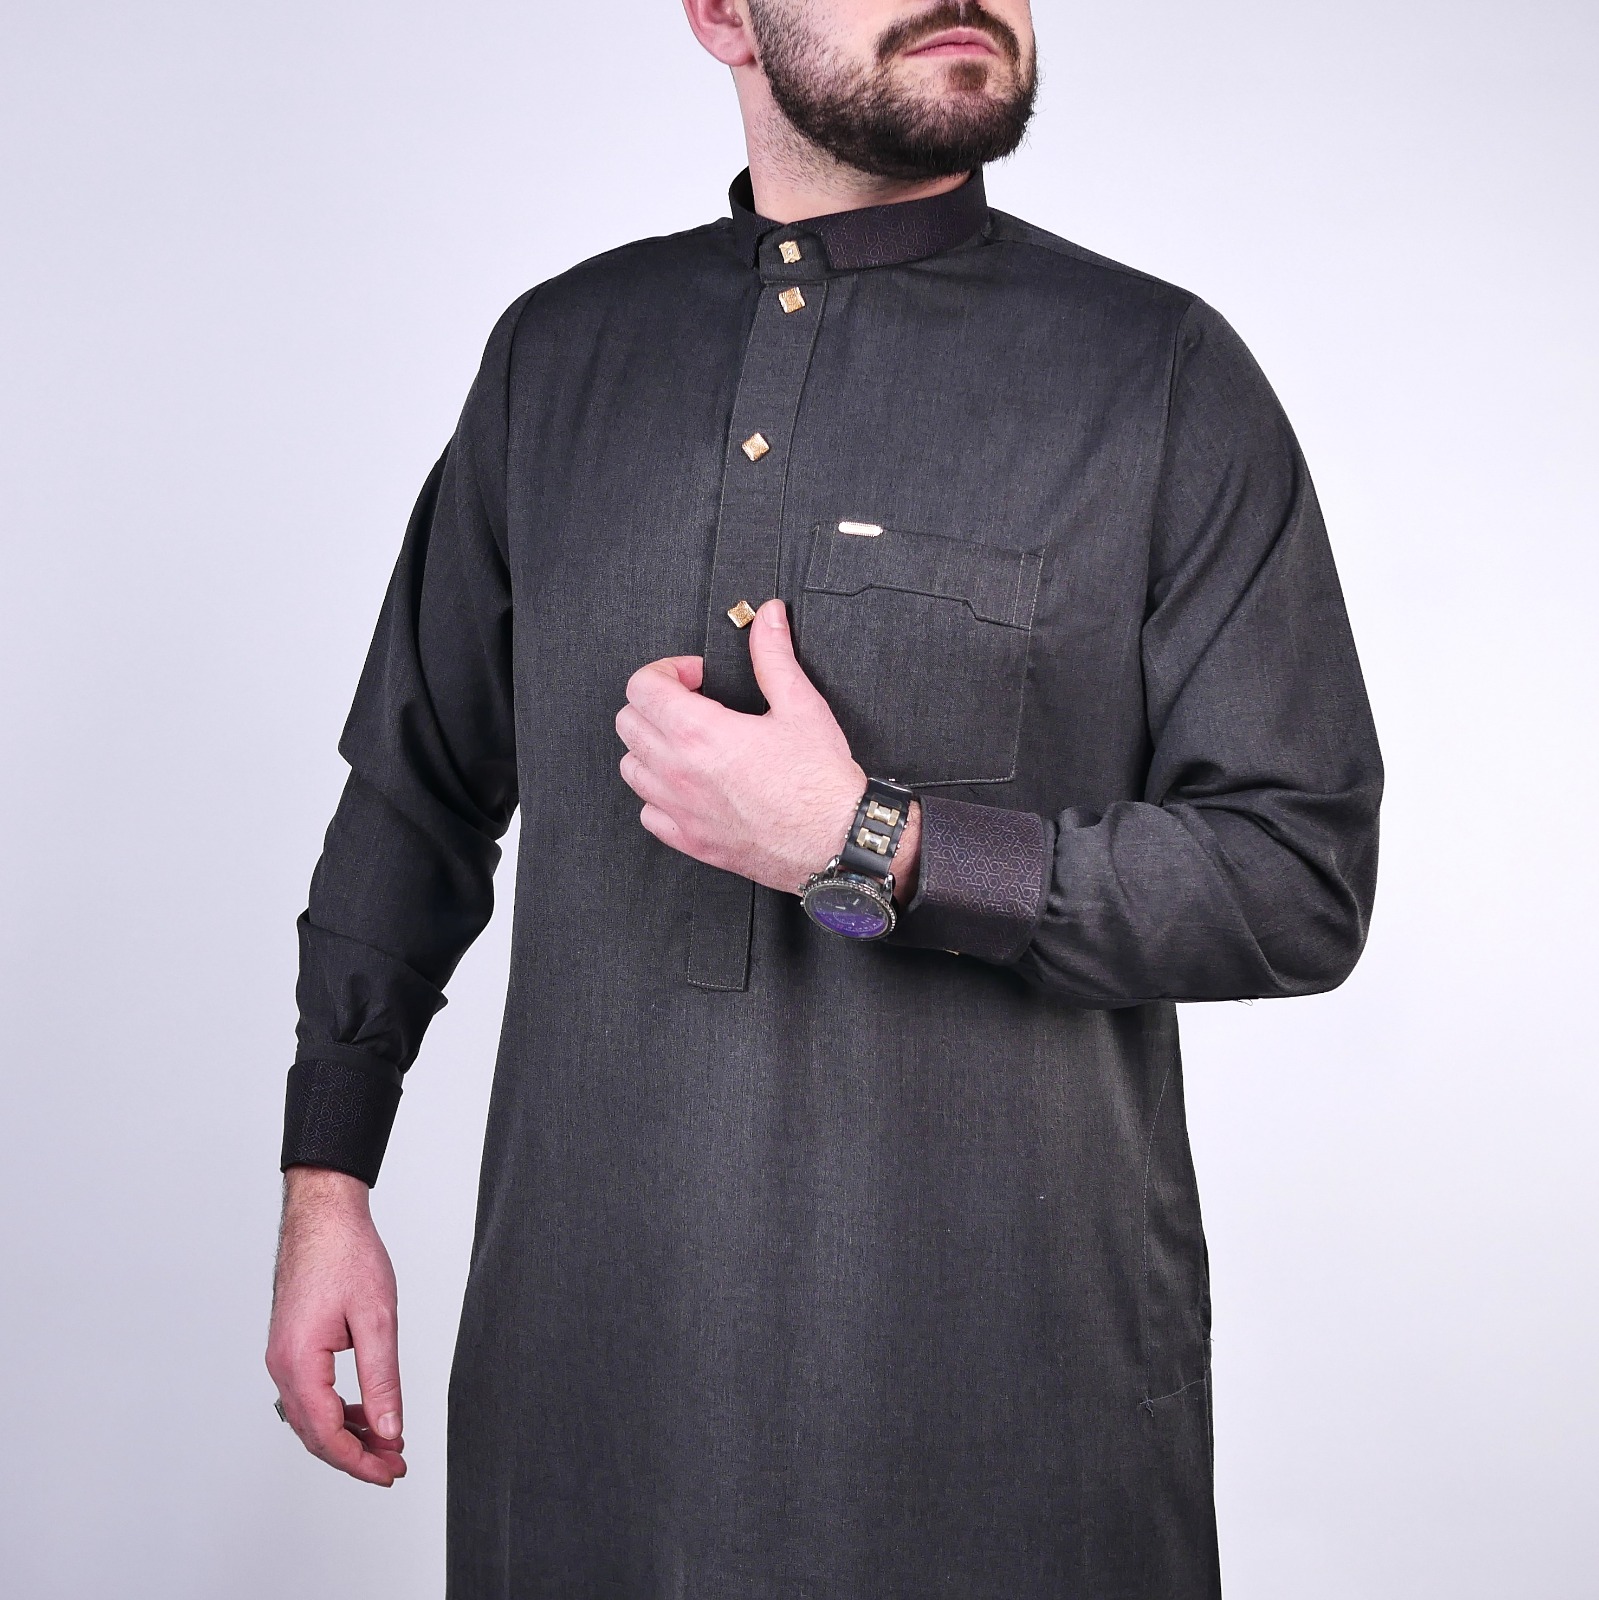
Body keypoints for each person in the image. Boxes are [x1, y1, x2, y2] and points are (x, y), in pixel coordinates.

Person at [265, 1, 1382, 1594]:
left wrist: (882, 848)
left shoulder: (1159, 377)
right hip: (585, 1405)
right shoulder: (557, 360)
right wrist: (329, 1180)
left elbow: (1298, 874)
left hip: (1007, 1422)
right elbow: (413, 793)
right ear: (723, 14)